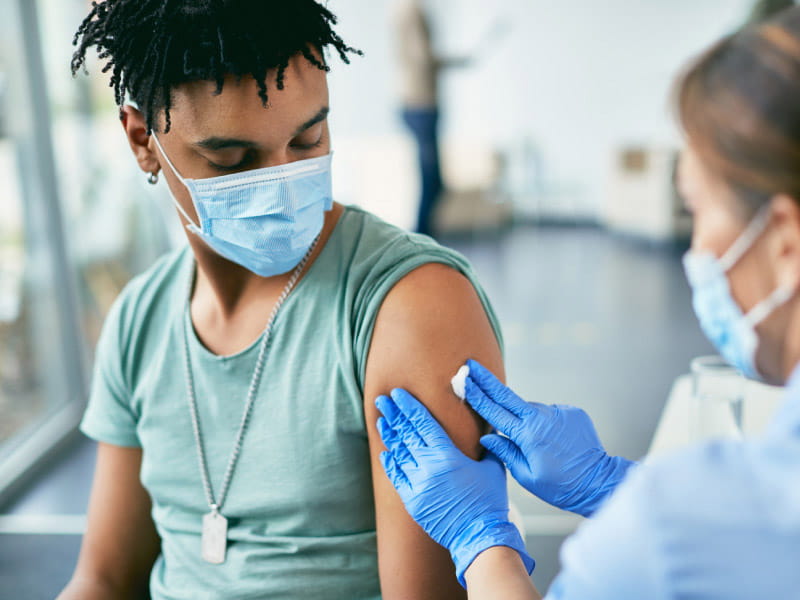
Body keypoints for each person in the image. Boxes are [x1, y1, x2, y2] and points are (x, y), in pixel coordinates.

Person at [59, 1, 508, 598]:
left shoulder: (406, 306)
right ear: (143, 140)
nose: (281, 185)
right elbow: (103, 580)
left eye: (308, 138)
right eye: (231, 161)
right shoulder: (138, 321)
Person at [377, 7, 800, 599]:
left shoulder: (667, 540)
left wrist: (481, 541)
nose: (696, 246)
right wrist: (609, 484)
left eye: (698, 208)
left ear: (784, 243)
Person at [393, 0, 471, 237]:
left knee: (433, 180)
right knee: (432, 181)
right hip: (420, 104)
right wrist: (455, 61)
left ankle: (426, 238)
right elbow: (422, 57)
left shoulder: (403, 9)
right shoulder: (411, 9)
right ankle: (423, 239)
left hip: (417, 103)